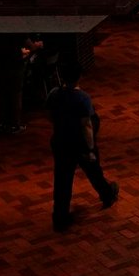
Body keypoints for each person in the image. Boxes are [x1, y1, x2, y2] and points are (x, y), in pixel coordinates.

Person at [47, 66, 118, 232]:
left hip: (60, 141)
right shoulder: (82, 98)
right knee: (94, 172)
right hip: (79, 143)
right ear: (79, 77)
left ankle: (60, 216)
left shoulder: (54, 94)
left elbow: (50, 116)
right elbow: (86, 124)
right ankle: (107, 195)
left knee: (62, 179)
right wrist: (91, 147)